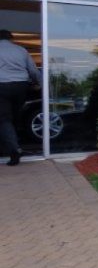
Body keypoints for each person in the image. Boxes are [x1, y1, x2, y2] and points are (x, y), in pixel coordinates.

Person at [0, 30, 41, 166]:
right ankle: (14, 144)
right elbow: (33, 70)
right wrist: (39, 83)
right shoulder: (21, 50)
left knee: (4, 119)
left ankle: (14, 149)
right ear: (11, 39)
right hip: (21, 86)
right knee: (15, 117)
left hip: (2, 86)